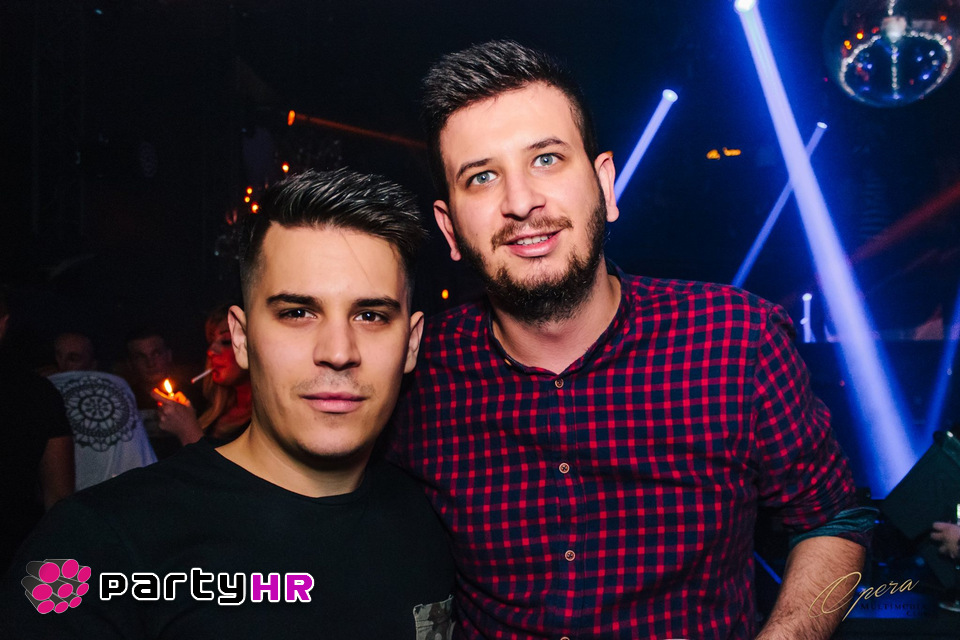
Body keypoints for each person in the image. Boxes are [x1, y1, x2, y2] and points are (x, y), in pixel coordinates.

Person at [388, 40, 873, 639]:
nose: (520, 202)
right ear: (449, 228)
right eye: (482, 177)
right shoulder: (417, 369)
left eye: (546, 159)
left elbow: (834, 519)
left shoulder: (735, 341)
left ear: (605, 185)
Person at [1, 169, 455, 639]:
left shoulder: (437, 523)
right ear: (241, 338)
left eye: (371, 315)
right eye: (297, 313)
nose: (338, 352)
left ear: (412, 344)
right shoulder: (101, 546)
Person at [0, 290, 74, 572]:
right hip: (17, 557)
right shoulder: (38, 393)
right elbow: (59, 498)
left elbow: (59, 499)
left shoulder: (39, 393)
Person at [48, 331, 157, 491]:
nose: (62, 366)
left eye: (73, 358)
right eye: (56, 358)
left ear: (92, 365)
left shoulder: (119, 390)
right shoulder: (45, 394)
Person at [151, 304, 253, 445]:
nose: (211, 351)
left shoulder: (267, 420)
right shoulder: (212, 409)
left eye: (226, 341)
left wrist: (187, 430)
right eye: (211, 342)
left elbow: (219, 461)